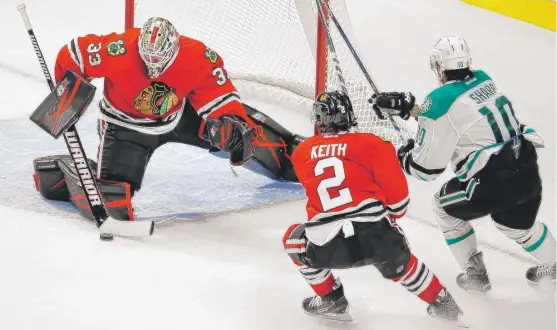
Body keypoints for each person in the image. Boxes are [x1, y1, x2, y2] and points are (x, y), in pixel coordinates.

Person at [47, 17, 301, 219]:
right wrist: (67, 95)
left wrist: (229, 122)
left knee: (240, 133)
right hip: (125, 126)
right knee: (111, 201)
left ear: (174, 48)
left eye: (158, 59)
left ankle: (293, 159)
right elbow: (74, 54)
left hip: (179, 115)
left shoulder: (198, 56)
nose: (152, 66)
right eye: (147, 57)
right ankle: (60, 176)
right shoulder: (120, 48)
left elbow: (219, 93)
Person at [371, 36, 556, 291]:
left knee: (443, 207)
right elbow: (460, 115)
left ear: (438, 67)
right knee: (519, 226)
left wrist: (404, 157)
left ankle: (476, 275)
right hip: (526, 169)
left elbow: (426, 170)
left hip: (492, 183)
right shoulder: (484, 79)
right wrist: (411, 109)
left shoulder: (439, 100)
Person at [282, 91, 463, 323]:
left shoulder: (301, 153)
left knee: (292, 239)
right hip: (376, 238)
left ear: (319, 119)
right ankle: (444, 304)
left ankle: (331, 299)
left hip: (326, 247)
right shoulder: (374, 144)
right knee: (401, 259)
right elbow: (399, 206)